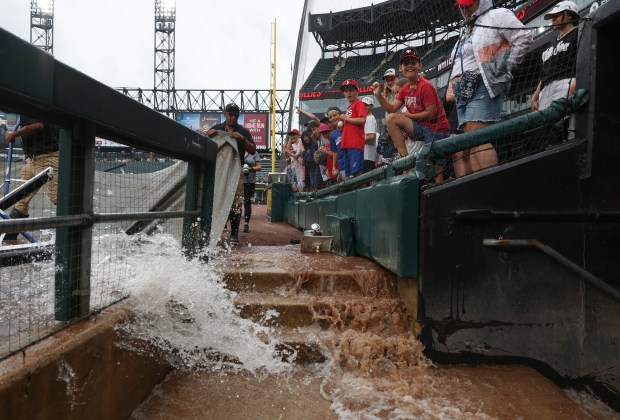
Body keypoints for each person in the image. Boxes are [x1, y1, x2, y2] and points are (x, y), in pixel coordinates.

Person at [450, 0, 532, 173]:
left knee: (477, 138)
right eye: (462, 7)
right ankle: (478, 189)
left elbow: (524, 37)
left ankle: (490, 187)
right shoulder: (465, 30)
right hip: (463, 91)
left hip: (482, 85)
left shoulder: (496, 15)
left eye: (469, 5)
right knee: (471, 143)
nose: (465, 10)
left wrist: (505, 67)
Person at [373, 49, 451, 160]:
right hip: (421, 128)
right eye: (406, 63)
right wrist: (378, 95)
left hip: (437, 130)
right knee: (391, 118)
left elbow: (431, 114)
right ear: (401, 68)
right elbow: (392, 109)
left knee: (435, 166)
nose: (409, 66)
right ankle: (405, 159)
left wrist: (409, 116)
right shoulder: (405, 88)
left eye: (413, 63)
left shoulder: (425, 86)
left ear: (419, 65)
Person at [3, 116, 60, 241]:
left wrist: (15, 133)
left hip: (47, 157)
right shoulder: (24, 109)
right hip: (32, 159)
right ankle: (9, 237)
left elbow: (38, 125)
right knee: (20, 199)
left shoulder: (30, 106)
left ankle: (74, 229)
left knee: (56, 197)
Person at [207, 103, 256, 244]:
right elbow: (203, 145)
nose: (233, 117)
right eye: (230, 114)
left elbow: (253, 150)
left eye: (235, 115)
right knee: (217, 199)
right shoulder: (216, 129)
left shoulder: (243, 131)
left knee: (236, 202)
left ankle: (234, 234)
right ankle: (214, 231)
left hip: (236, 170)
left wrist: (242, 139)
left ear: (238, 116)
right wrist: (208, 136)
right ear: (225, 114)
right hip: (219, 170)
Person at [531, 1, 579, 112]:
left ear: (569, 15)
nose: (553, 19)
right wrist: (535, 97)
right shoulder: (552, 42)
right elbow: (545, 73)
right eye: (552, 16)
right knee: (546, 126)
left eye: (557, 15)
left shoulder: (578, 31)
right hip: (546, 89)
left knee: (563, 124)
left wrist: (575, 83)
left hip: (566, 81)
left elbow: (584, 60)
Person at [339, 79, 367, 178]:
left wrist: (346, 118)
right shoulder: (349, 107)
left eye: (351, 90)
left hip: (355, 144)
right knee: (350, 175)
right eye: (346, 91)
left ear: (357, 91)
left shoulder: (359, 103)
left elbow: (362, 120)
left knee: (357, 174)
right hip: (347, 144)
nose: (348, 93)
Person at [242, 150, 262, 233]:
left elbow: (259, 167)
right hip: (238, 180)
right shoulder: (238, 149)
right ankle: (226, 222)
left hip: (249, 181)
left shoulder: (254, 153)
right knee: (234, 202)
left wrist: (250, 168)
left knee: (247, 202)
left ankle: (246, 223)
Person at [361, 96, 378, 172]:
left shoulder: (370, 118)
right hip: (365, 155)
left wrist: (356, 141)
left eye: (366, 105)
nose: (364, 107)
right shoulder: (365, 118)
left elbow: (371, 136)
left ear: (371, 106)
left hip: (367, 155)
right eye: (363, 105)